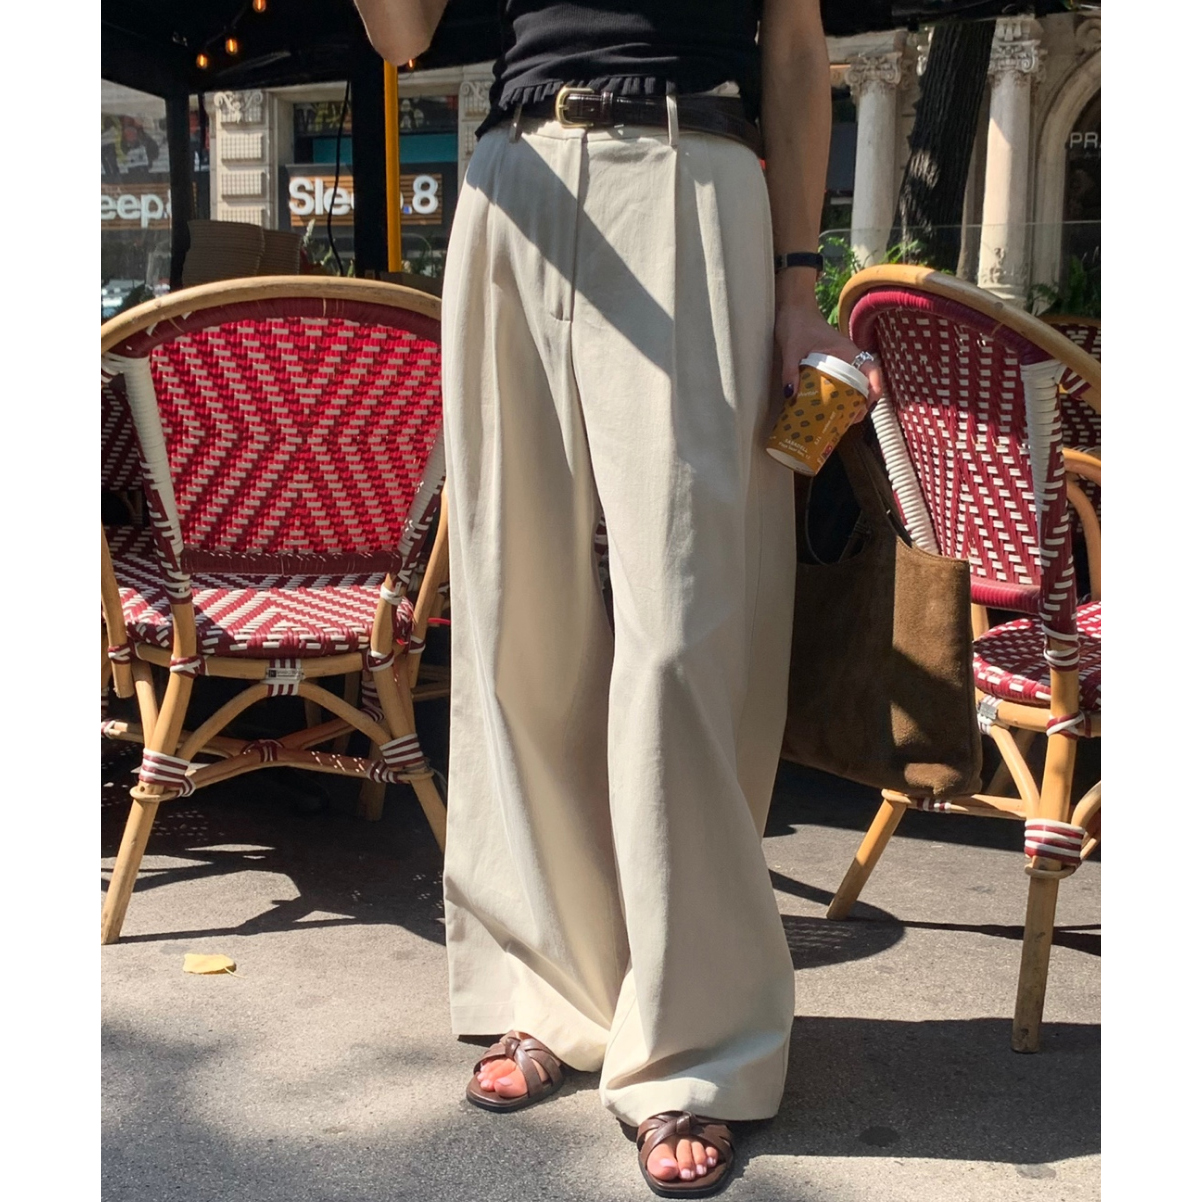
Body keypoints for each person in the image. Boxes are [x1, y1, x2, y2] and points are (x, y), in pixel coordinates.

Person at [353, 1, 882, 1194]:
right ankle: (554, 987)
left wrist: (798, 285)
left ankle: (698, 1039)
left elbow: (796, 46)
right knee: (515, 617)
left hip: (690, 169)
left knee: (688, 628)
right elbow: (397, 36)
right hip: (514, 179)